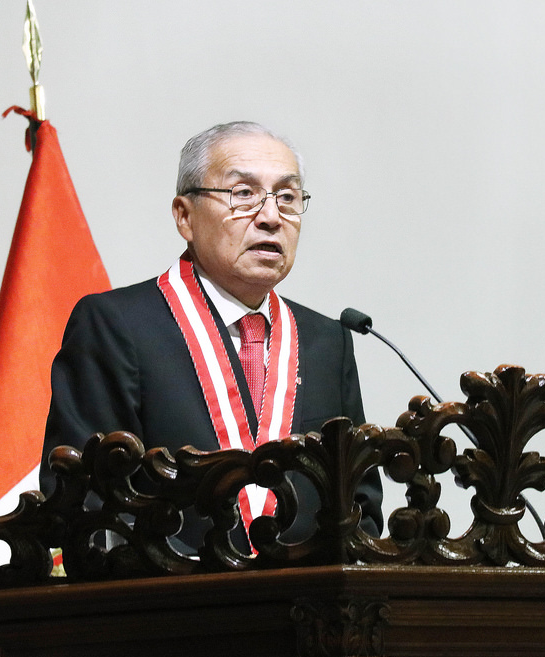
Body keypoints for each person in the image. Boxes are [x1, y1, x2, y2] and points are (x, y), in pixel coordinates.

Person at [41, 121, 382, 549]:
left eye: (288, 198)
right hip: (171, 607)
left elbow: (361, 504)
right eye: (243, 195)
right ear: (185, 216)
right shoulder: (114, 326)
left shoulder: (327, 341)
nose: (272, 218)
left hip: (308, 609)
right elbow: (86, 503)